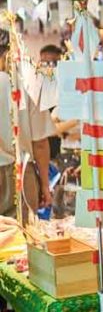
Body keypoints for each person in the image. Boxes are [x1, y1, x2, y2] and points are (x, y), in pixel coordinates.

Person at [0, 30, 55, 216]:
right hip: (20, 174)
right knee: (21, 238)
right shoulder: (27, 84)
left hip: (17, 170)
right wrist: (45, 186)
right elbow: (39, 143)